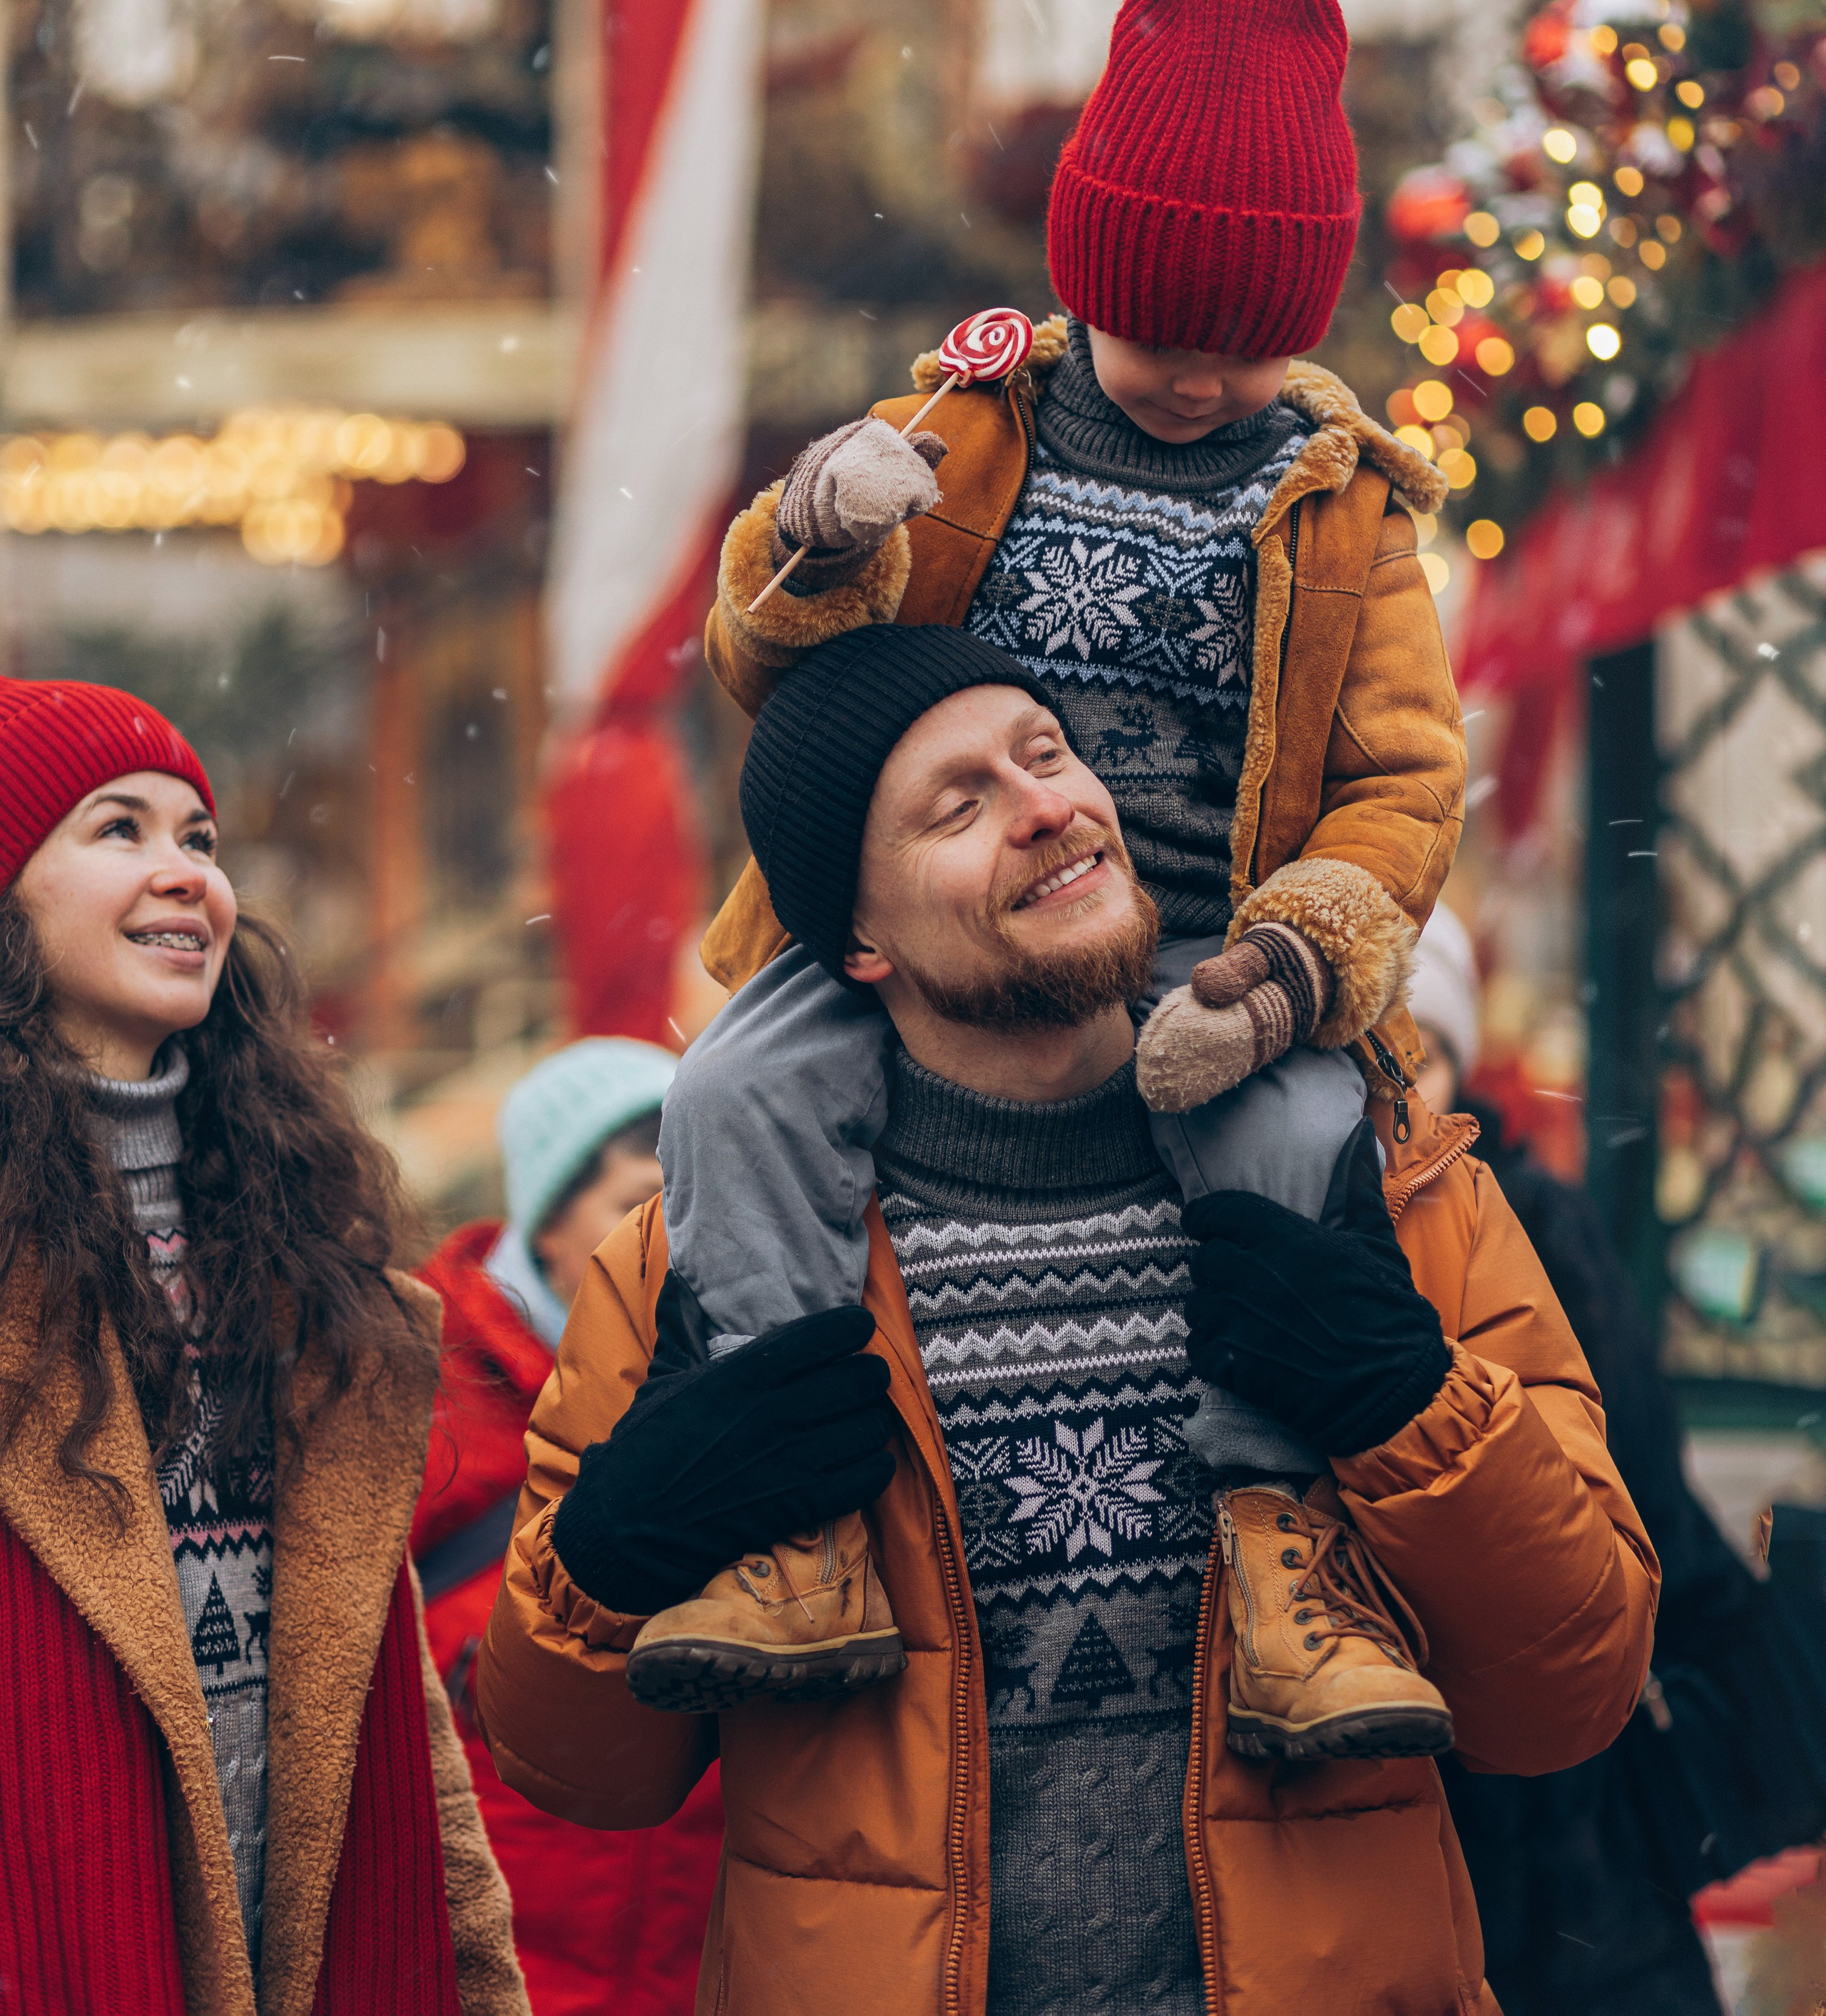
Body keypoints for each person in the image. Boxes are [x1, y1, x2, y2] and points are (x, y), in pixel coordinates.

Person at [476, 627, 1658, 2016]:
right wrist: (617, 1552)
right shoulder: (703, 1267)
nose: (1046, 803)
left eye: (1047, 754)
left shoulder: (1379, 1189)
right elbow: (579, 1775)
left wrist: (1404, 1403)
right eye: (957, 803)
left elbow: (1569, 1687)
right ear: (856, 938)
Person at [651, 0, 1469, 1752]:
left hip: (1205, 946)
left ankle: (1272, 1539)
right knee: (728, 1096)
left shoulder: (1343, 509)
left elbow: (1402, 788)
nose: (1193, 378)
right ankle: (793, 1512)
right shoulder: (965, 418)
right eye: (1159, 333)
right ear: (1081, 281)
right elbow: (759, 656)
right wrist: (816, 530)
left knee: (1300, 1128)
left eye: (1243, 344)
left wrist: (1279, 973)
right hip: (935, 913)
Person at [0, 675, 526, 2015]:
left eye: (200, 839)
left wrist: (480, 1976)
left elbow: (386, 1694)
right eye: (117, 829)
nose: (183, 874)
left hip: (331, 1949)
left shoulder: (304, 1255)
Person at [1406, 908, 1825, 2016]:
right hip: (1409, 1800)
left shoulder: (1538, 1228)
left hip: (1572, 1811)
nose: (1398, 1092)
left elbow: (1632, 1491)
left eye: (1423, 1051)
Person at [411, 1038, 723, 2016]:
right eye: (641, 1198)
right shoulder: (419, 1390)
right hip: (504, 1968)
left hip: (704, 1960)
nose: (676, 1232)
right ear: (547, 1226)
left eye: (704, 1192)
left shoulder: (767, 1381)